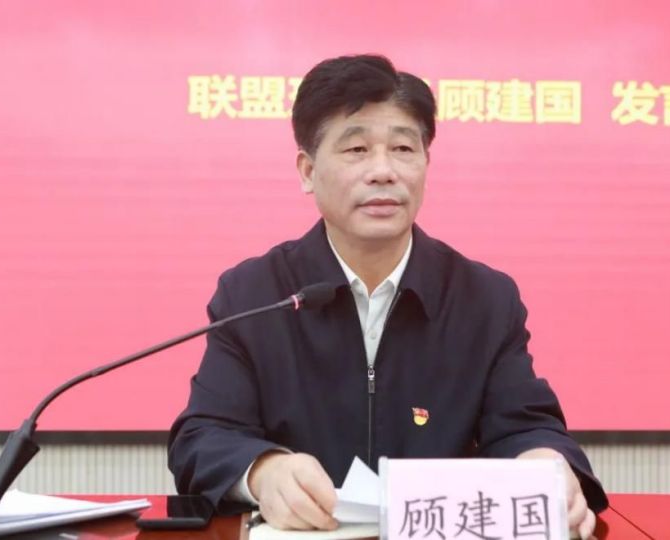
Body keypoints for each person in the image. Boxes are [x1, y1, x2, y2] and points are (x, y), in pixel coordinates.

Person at [168, 54, 608, 538]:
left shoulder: (483, 299)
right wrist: (264, 471)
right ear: (308, 171)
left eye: (402, 148)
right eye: (357, 149)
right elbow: (204, 436)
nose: (383, 171)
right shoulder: (255, 293)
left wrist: (545, 463)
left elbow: (525, 425)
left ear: (425, 164)